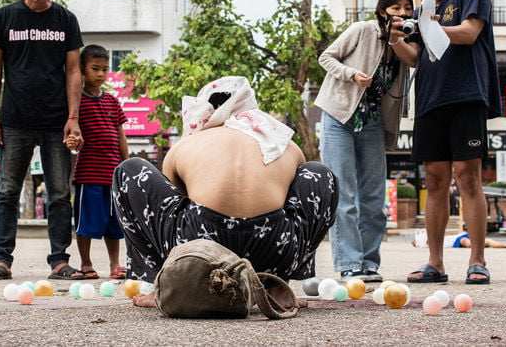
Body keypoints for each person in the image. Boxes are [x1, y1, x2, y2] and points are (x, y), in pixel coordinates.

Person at [112, 76, 338, 307]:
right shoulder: (283, 143)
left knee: (128, 170)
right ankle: (278, 286)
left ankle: (161, 285)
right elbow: (293, 200)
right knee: (319, 173)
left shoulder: (186, 145)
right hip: (275, 246)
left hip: (201, 249)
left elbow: (175, 205)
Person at [0, 0, 85, 281]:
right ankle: (2, 260)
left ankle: (59, 261)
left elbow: (73, 71)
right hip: (14, 120)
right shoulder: (4, 18)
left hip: (56, 121)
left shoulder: (65, 20)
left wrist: (73, 117)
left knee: (58, 194)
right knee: (8, 192)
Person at [400, 0, 501, 285]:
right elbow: (416, 58)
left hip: (466, 96)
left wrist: (426, 28)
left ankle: (477, 260)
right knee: (435, 180)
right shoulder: (421, 8)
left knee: (468, 177)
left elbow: (470, 33)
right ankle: (435, 263)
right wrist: (397, 38)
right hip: (430, 99)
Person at [315, 0, 418, 283]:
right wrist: (351, 75)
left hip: (372, 122)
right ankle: (349, 264)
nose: (401, 13)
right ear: (383, 10)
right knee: (344, 194)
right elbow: (326, 57)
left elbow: (416, 61)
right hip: (339, 116)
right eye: (395, 8)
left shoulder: (405, 43)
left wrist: (397, 40)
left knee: (373, 197)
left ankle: (369, 263)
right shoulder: (362, 30)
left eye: (406, 9)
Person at [65, 44, 129, 280]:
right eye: (95, 69)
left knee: (115, 223)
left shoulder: (112, 101)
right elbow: (73, 134)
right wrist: (73, 143)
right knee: (87, 222)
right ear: (81, 69)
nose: (100, 74)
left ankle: (115, 264)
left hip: (113, 174)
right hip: (88, 174)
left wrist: (127, 165)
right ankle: (86, 262)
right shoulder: (76, 102)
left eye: (104, 69)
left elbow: (120, 135)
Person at [412, 231, 506, 249]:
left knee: (485, 241)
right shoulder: (432, 244)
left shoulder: (439, 237)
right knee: (485, 241)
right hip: (459, 239)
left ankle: (505, 244)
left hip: (459, 238)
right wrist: (417, 243)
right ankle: (505, 244)